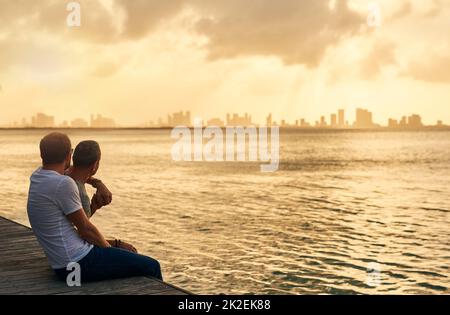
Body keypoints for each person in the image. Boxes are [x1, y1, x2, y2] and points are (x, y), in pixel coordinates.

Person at [27, 132, 162, 282]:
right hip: (77, 264)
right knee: (152, 266)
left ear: (42, 154)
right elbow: (86, 231)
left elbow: (74, 172)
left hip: (63, 262)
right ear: (69, 155)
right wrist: (112, 252)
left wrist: (98, 183)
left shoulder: (38, 176)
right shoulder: (63, 184)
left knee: (125, 252)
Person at [66, 140, 136, 252]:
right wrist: (115, 249)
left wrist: (98, 184)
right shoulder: (81, 196)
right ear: (95, 165)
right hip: (74, 251)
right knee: (131, 251)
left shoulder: (64, 175)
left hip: (63, 243)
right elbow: (83, 232)